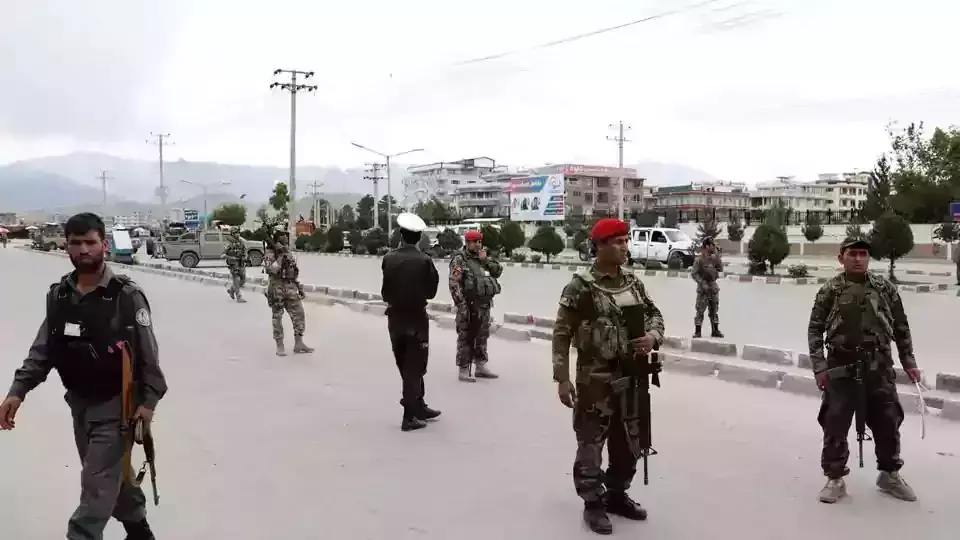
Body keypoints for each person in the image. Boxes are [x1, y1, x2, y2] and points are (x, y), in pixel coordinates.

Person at [0, 212, 167, 540]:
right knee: (112, 479)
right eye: (76, 243)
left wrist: (148, 403)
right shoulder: (60, 295)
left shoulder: (126, 296)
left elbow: (149, 354)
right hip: (80, 406)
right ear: (67, 246)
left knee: (96, 485)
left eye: (90, 242)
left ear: (104, 244)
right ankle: (140, 532)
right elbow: (44, 350)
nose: (83, 249)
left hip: (118, 408)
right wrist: (18, 391)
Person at [551, 218, 665, 535]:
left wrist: (652, 336)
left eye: (626, 241)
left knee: (630, 441)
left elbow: (655, 315)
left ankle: (617, 494)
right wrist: (562, 378)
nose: (625, 247)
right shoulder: (581, 286)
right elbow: (561, 333)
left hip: (632, 378)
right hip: (595, 381)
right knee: (591, 443)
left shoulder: (632, 282)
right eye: (618, 242)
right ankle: (593, 503)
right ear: (600, 246)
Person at [808, 236, 921, 504]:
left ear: (869, 258)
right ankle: (835, 478)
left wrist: (909, 362)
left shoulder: (885, 288)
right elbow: (815, 329)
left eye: (863, 254)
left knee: (888, 421)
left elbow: (901, 327)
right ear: (841, 258)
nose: (858, 259)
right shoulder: (830, 290)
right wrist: (819, 367)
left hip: (879, 368)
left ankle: (889, 474)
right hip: (841, 368)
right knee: (835, 422)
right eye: (852, 254)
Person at [381, 213, 441, 431]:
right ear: (419, 238)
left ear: (401, 235)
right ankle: (409, 417)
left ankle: (418, 405)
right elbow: (431, 292)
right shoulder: (425, 261)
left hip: (395, 319)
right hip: (416, 319)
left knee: (406, 364)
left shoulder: (388, 258)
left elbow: (385, 292)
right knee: (414, 367)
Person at [449, 230, 503, 382]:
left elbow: (498, 271)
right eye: (474, 242)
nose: (478, 245)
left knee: (482, 336)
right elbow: (454, 284)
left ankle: (480, 366)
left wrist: (486, 261)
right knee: (466, 337)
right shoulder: (460, 260)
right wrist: (462, 306)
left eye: (479, 242)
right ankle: (463, 368)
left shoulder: (483, 258)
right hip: (468, 306)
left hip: (484, 306)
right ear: (467, 243)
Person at [264, 229, 313, 356]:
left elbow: (292, 271)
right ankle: (279, 345)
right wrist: (280, 256)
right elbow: (271, 270)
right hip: (277, 288)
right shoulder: (271, 253)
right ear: (277, 238)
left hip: (290, 287)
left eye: (286, 235)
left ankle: (299, 343)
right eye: (282, 235)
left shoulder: (287, 252)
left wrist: (299, 287)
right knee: (277, 317)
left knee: (299, 314)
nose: (285, 237)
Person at [690, 236, 724, 338]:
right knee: (700, 310)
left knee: (714, 310)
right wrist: (702, 283)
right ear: (707, 246)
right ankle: (698, 331)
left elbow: (721, 269)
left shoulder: (714, 258)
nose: (714, 247)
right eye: (712, 245)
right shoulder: (699, 260)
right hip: (703, 288)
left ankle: (715, 330)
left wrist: (718, 257)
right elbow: (694, 273)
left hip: (713, 287)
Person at [223, 227, 248, 303]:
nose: (238, 234)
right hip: (233, 264)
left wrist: (245, 256)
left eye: (238, 232)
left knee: (243, 280)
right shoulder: (228, 242)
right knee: (236, 280)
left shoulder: (241, 241)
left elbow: (245, 250)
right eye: (236, 233)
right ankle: (239, 297)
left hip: (241, 262)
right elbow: (223, 254)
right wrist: (231, 257)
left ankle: (231, 290)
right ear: (232, 234)